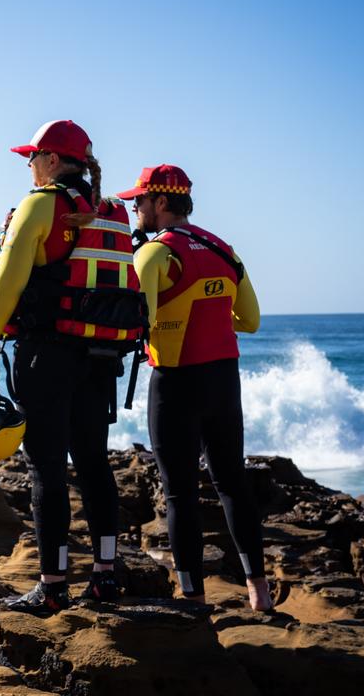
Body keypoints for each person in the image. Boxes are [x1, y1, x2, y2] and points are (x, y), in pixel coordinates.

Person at [0, 120, 144, 614]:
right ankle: (105, 578)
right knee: (93, 463)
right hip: (100, 357)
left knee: (47, 467)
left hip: (46, 353)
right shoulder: (110, 210)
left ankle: (51, 587)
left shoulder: (42, 204)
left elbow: (7, 279)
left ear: (51, 160)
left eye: (32, 158)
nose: (29, 166)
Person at [117, 164, 272, 610]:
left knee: (179, 492)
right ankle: (259, 594)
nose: (134, 208)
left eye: (139, 200)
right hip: (224, 378)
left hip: (175, 383)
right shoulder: (225, 250)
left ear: (161, 202)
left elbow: (137, 322)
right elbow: (252, 322)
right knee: (232, 484)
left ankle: (193, 598)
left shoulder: (154, 253)